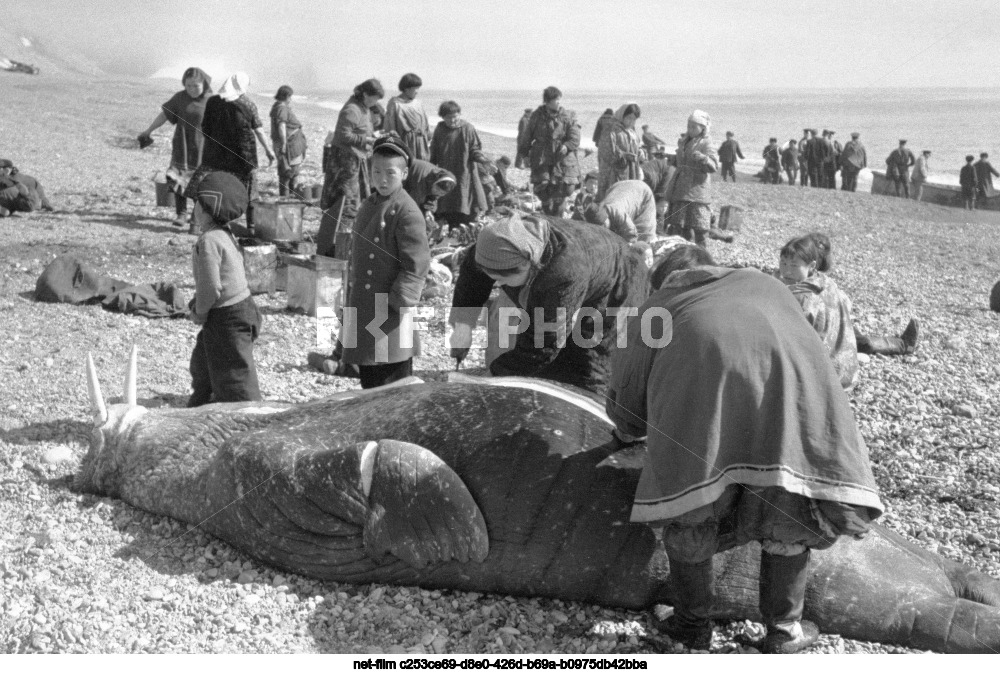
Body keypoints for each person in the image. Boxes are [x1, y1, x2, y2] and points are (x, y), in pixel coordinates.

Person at [606, 244, 883, 654]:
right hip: (788, 411)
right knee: (785, 509)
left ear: (665, 280)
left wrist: (628, 431)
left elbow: (627, 395)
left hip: (705, 425)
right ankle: (784, 630)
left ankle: (691, 625)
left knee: (691, 512)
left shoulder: (657, 309)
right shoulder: (769, 286)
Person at [449, 212, 648, 393]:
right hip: (583, 265)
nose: (498, 284)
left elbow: (544, 343)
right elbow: (472, 277)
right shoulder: (495, 243)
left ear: (529, 264)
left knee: (588, 366)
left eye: (504, 279)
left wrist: (494, 376)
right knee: (541, 365)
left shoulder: (563, 273)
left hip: (620, 280)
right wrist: (463, 327)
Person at [338, 136, 430, 389]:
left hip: (389, 311)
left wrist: (398, 302)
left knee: (394, 383)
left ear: (404, 173)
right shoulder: (369, 203)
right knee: (371, 380)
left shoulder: (407, 210)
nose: (382, 179)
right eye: (376, 172)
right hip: (365, 304)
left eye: (391, 172)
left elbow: (417, 263)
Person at [778, 233, 919, 390]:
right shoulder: (826, 282)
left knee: (862, 341)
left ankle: (901, 344)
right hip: (846, 367)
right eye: (783, 264)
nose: (787, 271)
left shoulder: (801, 298)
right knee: (858, 339)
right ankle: (901, 344)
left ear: (812, 265)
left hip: (826, 381)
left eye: (793, 266)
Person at [187, 170, 262, 407]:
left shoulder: (208, 241)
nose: (193, 210)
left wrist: (199, 312)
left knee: (234, 374)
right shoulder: (225, 234)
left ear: (205, 209)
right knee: (205, 359)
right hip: (243, 308)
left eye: (196, 204)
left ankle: (246, 412)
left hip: (227, 316)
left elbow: (211, 287)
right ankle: (203, 399)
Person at [190, 72, 275, 237]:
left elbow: (205, 128)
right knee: (250, 192)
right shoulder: (247, 104)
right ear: (241, 86)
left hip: (214, 154)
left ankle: (195, 224)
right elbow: (258, 130)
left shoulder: (213, 101)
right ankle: (251, 228)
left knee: (204, 187)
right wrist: (269, 150)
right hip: (242, 156)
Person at [316, 78, 383, 257]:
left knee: (355, 200)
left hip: (355, 159)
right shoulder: (351, 109)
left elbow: (362, 130)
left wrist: (373, 136)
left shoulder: (363, 108)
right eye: (374, 98)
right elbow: (342, 134)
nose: (375, 103)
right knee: (346, 203)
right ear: (365, 94)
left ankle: (343, 242)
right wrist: (367, 140)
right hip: (344, 161)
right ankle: (338, 246)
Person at [138, 67, 212, 227]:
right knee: (177, 178)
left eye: (196, 85)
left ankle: (195, 218)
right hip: (182, 145)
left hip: (203, 148)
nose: (192, 89)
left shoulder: (212, 101)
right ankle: (181, 213)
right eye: (188, 85)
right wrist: (149, 130)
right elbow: (164, 115)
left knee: (200, 183)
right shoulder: (179, 98)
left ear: (204, 84)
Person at [665, 110, 725, 246]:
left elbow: (714, 166)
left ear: (702, 128)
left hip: (697, 189)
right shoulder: (684, 141)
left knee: (700, 227)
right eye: (689, 126)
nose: (690, 130)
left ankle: (702, 255)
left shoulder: (706, 143)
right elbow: (681, 160)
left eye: (694, 127)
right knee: (680, 226)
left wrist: (703, 158)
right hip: (680, 188)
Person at [519, 86, 582, 216]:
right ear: (548, 101)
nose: (559, 102)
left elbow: (575, 137)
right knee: (542, 189)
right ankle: (548, 212)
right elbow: (527, 136)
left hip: (562, 158)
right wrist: (524, 154)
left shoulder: (567, 116)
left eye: (559, 99)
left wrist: (567, 145)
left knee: (564, 189)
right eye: (556, 99)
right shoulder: (536, 116)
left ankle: (558, 218)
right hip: (542, 156)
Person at [430, 100, 490, 226]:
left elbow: (475, 149)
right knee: (447, 201)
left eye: (455, 117)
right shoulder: (440, 129)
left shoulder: (467, 128)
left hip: (464, 172)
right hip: (446, 171)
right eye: (448, 118)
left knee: (465, 199)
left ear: (459, 115)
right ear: (443, 117)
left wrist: (483, 160)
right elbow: (433, 152)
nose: (452, 121)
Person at [584, 179, 657, 243]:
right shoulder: (599, 209)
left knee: (644, 234)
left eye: (604, 225)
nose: (604, 228)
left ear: (606, 217)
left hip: (642, 191)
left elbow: (631, 234)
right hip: (618, 187)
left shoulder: (618, 213)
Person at [597, 103, 643, 200]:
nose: (631, 122)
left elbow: (635, 147)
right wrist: (624, 156)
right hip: (613, 173)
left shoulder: (632, 131)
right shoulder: (611, 129)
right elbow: (606, 152)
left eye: (634, 119)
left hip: (630, 171)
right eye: (629, 118)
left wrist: (640, 152)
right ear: (622, 115)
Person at [269, 84, 307, 198]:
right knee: (289, 172)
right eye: (290, 97)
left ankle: (288, 195)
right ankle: (287, 197)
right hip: (289, 144)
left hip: (288, 143)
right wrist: (284, 143)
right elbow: (281, 126)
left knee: (288, 171)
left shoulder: (277, 107)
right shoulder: (281, 108)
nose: (290, 99)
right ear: (286, 96)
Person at [384, 73, 432, 161]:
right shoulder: (395, 103)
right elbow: (390, 127)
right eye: (415, 88)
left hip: (421, 143)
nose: (417, 91)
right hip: (406, 143)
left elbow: (425, 125)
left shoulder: (418, 103)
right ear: (406, 88)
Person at [641, 155, 673, 234]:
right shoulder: (642, 173)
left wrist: (662, 199)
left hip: (664, 180)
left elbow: (661, 196)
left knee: (660, 208)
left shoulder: (650, 175)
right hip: (653, 180)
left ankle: (658, 233)